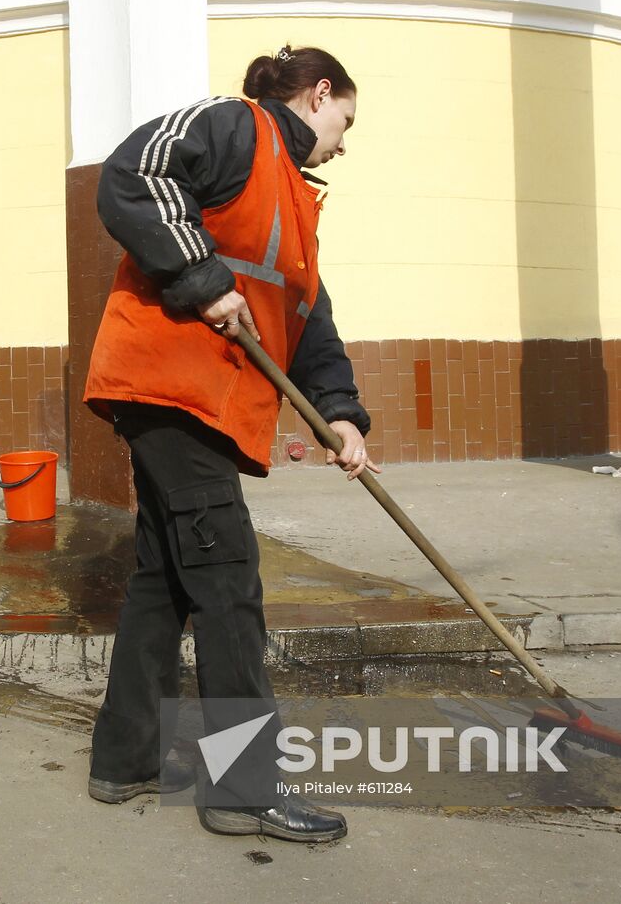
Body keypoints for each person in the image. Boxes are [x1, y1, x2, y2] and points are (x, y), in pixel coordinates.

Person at [82, 46, 377, 842]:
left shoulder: (294, 199)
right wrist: (202, 278)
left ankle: (126, 760)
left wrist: (342, 415)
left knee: (167, 581)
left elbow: (307, 316)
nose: (343, 143)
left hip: (200, 403)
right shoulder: (233, 128)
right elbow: (133, 172)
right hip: (174, 390)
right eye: (344, 121)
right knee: (228, 587)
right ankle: (244, 791)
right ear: (320, 95)